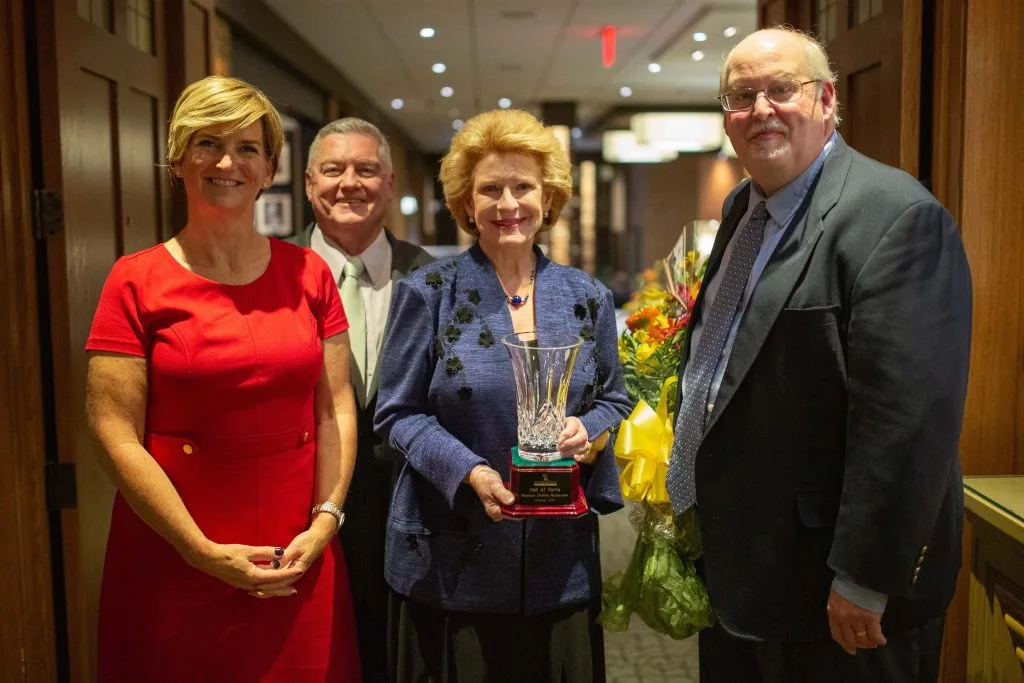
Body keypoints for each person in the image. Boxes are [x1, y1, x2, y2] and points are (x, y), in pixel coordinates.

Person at [663, 27, 972, 682]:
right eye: (741, 95)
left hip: (836, 593)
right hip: (745, 571)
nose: (760, 109)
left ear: (828, 99)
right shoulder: (745, 206)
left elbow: (908, 421)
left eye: (782, 89)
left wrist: (864, 575)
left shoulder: (895, 217)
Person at [85, 75, 361, 682]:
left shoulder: (310, 274)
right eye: (207, 143)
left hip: (300, 550)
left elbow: (335, 406)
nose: (227, 162)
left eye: (248, 148)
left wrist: (327, 518)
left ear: (269, 170)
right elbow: (112, 429)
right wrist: (196, 549)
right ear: (178, 159)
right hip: (173, 551)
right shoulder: (134, 281)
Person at [374, 109, 632, 683]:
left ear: (548, 198)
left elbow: (614, 397)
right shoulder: (429, 292)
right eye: (490, 189)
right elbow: (396, 412)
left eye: (523, 187)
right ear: (467, 204)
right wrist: (469, 470)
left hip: (558, 561)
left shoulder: (586, 295)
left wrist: (589, 431)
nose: (507, 203)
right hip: (453, 559)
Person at [290, 116, 432, 682]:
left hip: (411, 515)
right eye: (333, 169)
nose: (349, 182)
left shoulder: (433, 278)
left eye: (366, 169)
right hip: (303, 510)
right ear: (308, 183)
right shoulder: (271, 274)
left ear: (391, 184)